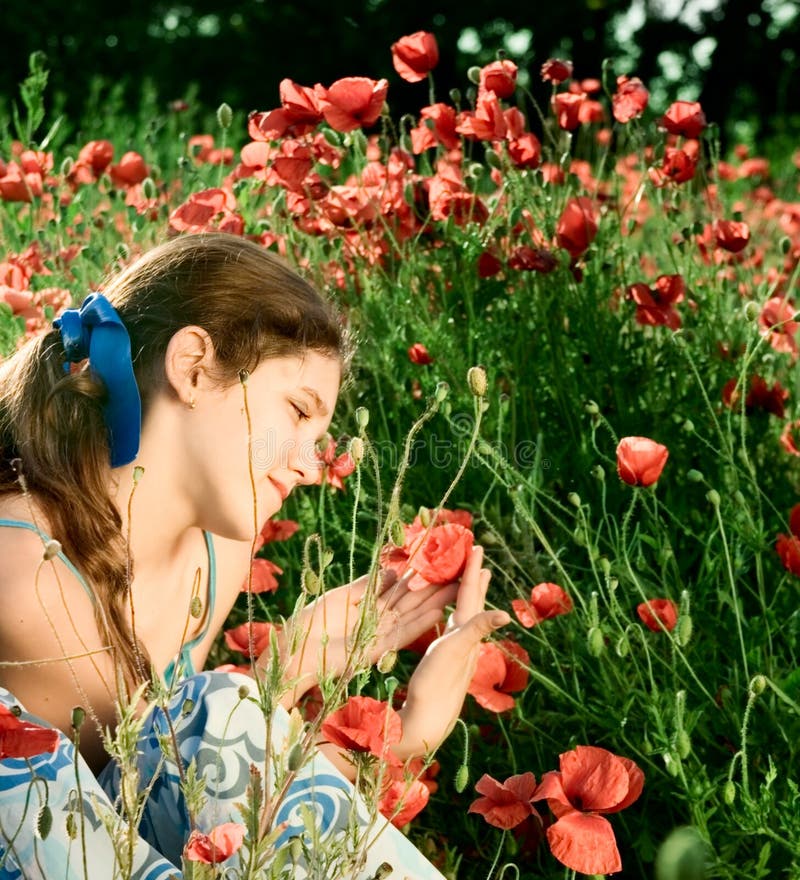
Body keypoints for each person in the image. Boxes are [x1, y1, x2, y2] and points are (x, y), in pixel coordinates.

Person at [0, 232, 510, 879]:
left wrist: (310, 685)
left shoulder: (216, 557)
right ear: (192, 367)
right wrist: (265, 695)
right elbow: (94, 827)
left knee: (223, 709)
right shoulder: (24, 574)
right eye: (297, 412)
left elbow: (168, 799)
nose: (306, 463)